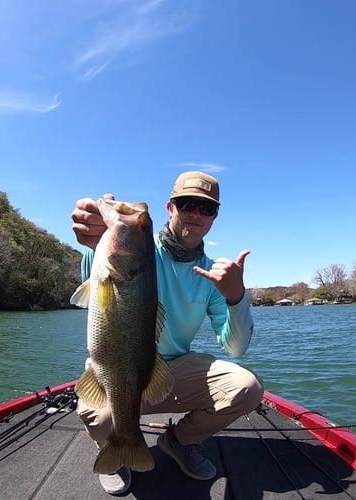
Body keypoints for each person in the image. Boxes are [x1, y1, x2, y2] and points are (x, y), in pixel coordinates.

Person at [71, 171, 264, 495]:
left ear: (215, 216)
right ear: (170, 207)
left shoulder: (214, 274)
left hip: (171, 372)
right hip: (120, 369)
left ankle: (178, 441)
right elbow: (98, 262)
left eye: (207, 208)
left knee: (248, 388)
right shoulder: (138, 250)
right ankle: (118, 450)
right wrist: (95, 238)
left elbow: (236, 348)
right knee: (97, 415)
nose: (196, 214)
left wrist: (236, 295)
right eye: (187, 204)